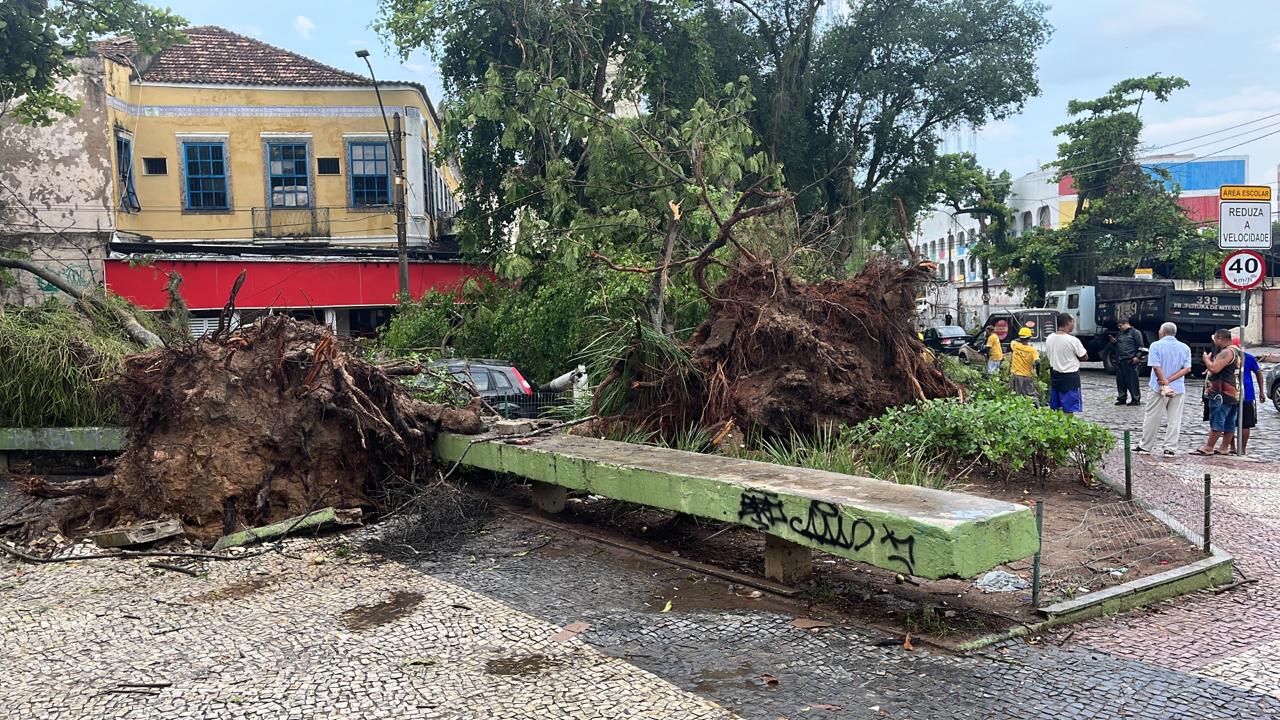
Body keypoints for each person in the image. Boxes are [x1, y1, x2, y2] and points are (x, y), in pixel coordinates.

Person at [1137, 322, 1191, 456]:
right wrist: (1170, 380)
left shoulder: (1156, 345)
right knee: (1174, 418)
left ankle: (1145, 446)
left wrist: (1164, 382)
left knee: (1152, 417)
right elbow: (1187, 368)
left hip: (1157, 387)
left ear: (1162, 332)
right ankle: (1170, 448)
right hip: (1177, 387)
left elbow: (1156, 367)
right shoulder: (1185, 347)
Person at [1194, 330, 1242, 456]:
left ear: (1220, 338)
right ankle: (1224, 447)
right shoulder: (1237, 351)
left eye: (1215, 339)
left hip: (1221, 393)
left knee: (1218, 418)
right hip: (1233, 391)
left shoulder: (1227, 352)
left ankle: (1209, 447)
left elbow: (1215, 368)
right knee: (1229, 421)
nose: (1214, 342)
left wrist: (1206, 360)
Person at [1045, 313, 1088, 414]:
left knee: (1056, 409)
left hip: (1055, 376)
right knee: (1069, 410)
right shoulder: (1073, 340)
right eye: (1073, 322)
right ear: (1068, 323)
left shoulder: (1050, 338)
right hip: (1070, 377)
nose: (1073, 324)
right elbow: (1084, 356)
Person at [1234, 338, 1265, 456]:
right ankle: (1240, 448)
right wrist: (1261, 391)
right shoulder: (1249, 357)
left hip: (1241, 393)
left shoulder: (1228, 357)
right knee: (1243, 423)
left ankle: (1237, 448)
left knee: (1234, 422)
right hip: (1244, 393)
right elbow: (1259, 373)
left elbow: (1258, 374)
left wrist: (1261, 391)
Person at [1112, 315, 1145, 406]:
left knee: (1133, 381)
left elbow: (1141, 347)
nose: (1119, 328)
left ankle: (1135, 399)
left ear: (1126, 324)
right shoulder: (1120, 334)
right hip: (1120, 360)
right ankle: (1122, 398)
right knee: (1121, 381)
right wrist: (1114, 343)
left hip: (1131, 360)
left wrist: (1137, 357)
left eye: (1120, 326)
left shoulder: (1135, 333)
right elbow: (1118, 346)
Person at [1009, 326, 1039, 398]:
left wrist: (1022, 336)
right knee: (1031, 395)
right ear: (1029, 338)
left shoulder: (1015, 345)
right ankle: (1037, 408)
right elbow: (1038, 362)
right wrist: (1038, 373)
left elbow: (1015, 340)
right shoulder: (1032, 350)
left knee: (1017, 396)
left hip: (1016, 376)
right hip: (1027, 376)